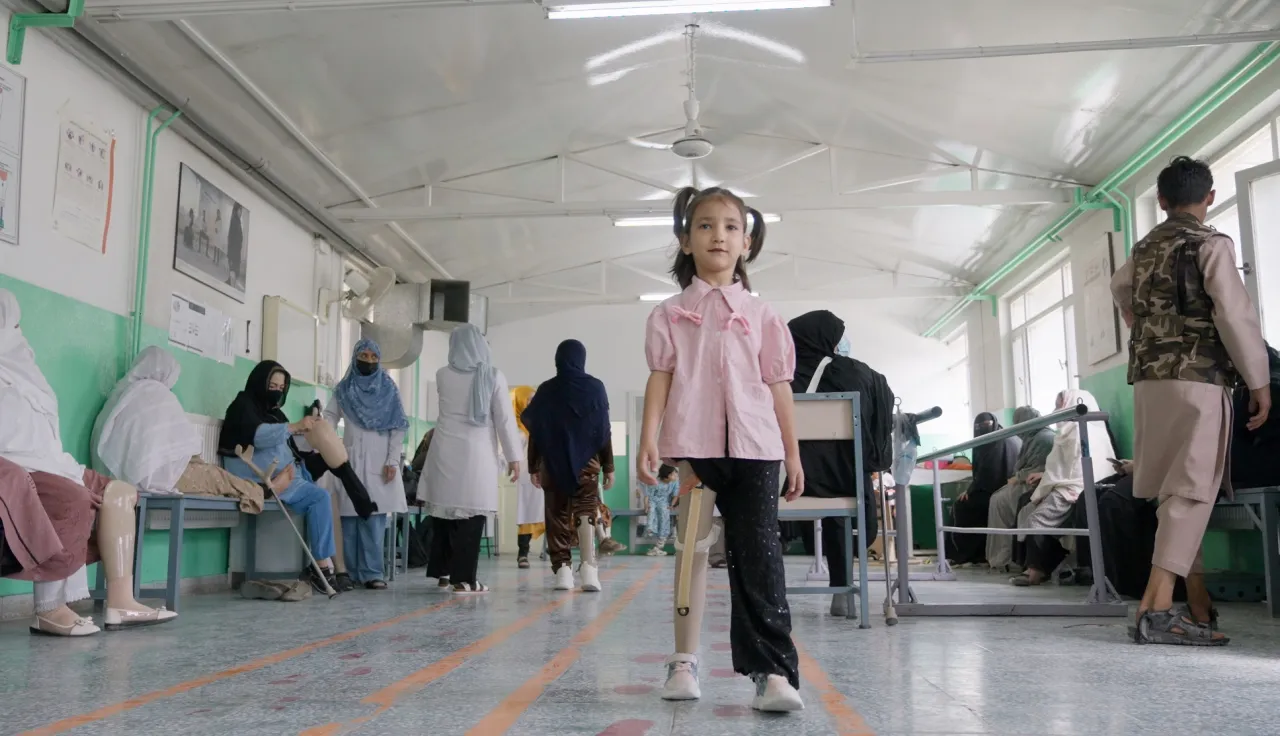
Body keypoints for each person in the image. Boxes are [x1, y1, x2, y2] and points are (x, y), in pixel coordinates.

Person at [637, 185, 804, 712]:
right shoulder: (668, 314)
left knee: (759, 556)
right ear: (686, 241)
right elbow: (661, 377)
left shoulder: (762, 314)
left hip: (757, 448)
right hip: (693, 448)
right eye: (705, 225)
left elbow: (778, 385)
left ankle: (772, 672)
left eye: (731, 226)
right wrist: (649, 440)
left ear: (747, 243)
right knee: (690, 551)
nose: (719, 235)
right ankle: (684, 662)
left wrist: (793, 454)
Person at [1111, 155, 1269, 646]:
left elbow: (1120, 290)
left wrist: (1148, 329)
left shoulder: (1143, 247)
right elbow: (1234, 315)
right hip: (1198, 378)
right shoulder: (1210, 243)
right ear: (1210, 197)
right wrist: (1258, 382)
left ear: (1161, 200)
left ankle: (1191, 599)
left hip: (1150, 380)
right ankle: (1156, 610)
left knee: (1172, 494)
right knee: (1194, 490)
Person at [0, 289, 177, 635]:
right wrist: (67, 474)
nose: (17, 332)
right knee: (71, 496)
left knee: (121, 492)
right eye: (12, 323)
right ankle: (50, 607)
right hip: (24, 469)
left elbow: (46, 441)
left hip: (54, 462)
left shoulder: (25, 375)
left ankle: (122, 602)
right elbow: (14, 444)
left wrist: (72, 470)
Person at [786, 309, 893, 617]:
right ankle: (842, 592)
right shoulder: (861, 372)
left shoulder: (777, 375)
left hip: (789, 484)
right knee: (843, 482)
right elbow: (879, 419)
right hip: (847, 485)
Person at [91, 345, 271, 512]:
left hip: (120, 482)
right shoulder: (158, 393)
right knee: (217, 478)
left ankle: (256, 491)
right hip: (160, 479)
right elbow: (187, 447)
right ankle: (260, 492)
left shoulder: (121, 395)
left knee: (213, 484)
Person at [219, 361, 341, 593]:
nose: (276, 390)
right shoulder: (243, 407)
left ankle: (323, 566)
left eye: (281, 387)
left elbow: (288, 444)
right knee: (318, 495)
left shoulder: (274, 413)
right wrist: (294, 426)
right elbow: (259, 438)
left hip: (288, 478)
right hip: (256, 477)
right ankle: (322, 567)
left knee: (324, 488)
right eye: (272, 385)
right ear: (260, 382)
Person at [417, 324, 520, 594]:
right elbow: (505, 421)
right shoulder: (494, 376)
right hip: (476, 452)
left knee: (445, 511)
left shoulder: (442, 374)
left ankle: (443, 571)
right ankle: (464, 580)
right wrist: (514, 457)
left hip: (444, 449)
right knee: (472, 515)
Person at [522, 339, 614, 593]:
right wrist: (609, 466)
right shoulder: (595, 388)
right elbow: (603, 430)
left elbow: (537, 431)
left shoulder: (547, 390)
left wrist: (533, 466)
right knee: (586, 511)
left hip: (552, 463)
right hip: (588, 464)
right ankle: (589, 571)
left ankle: (562, 571)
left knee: (557, 515)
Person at [323, 339, 408, 590]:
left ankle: (372, 573)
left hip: (380, 462)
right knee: (348, 519)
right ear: (355, 357)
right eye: (364, 355)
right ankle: (348, 572)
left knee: (373, 518)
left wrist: (393, 459)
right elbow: (329, 416)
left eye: (373, 356)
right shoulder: (344, 389)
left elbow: (398, 427)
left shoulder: (388, 389)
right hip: (348, 460)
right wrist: (324, 436)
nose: (368, 360)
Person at [1009, 389, 1116, 586]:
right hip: (1064, 482)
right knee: (1026, 508)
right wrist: (1045, 479)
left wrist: (1045, 486)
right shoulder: (1069, 431)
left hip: (1075, 487)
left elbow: (1076, 471)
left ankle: (1037, 570)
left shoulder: (1081, 431)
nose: (1057, 410)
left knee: (1035, 520)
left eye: (1060, 406)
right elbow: (1063, 466)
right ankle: (1040, 561)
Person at [985, 406, 1055, 572]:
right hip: (1030, 481)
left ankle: (1004, 557)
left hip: (1040, 484)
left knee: (999, 500)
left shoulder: (1043, 438)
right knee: (997, 498)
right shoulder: (1033, 437)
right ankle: (1003, 557)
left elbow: (1039, 468)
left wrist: (1019, 477)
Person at [946, 412, 1020, 566]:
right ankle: (979, 554)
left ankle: (963, 554)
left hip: (997, 491)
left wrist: (971, 491)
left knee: (960, 507)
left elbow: (988, 474)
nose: (982, 429)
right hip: (1007, 488)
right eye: (979, 427)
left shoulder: (995, 442)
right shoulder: (1006, 436)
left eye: (985, 426)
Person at [510, 385, 545, 568]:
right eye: (528, 399)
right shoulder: (515, 427)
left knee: (549, 511)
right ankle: (522, 553)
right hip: (525, 475)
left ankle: (552, 550)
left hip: (543, 472)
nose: (532, 403)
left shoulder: (541, 422)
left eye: (534, 399)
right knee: (526, 512)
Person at [641, 464, 679, 555]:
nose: (675, 476)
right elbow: (648, 495)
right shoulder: (655, 482)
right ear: (667, 475)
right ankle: (650, 529)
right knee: (651, 510)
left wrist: (672, 505)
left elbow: (675, 495)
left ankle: (659, 544)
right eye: (673, 474)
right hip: (653, 501)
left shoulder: (674, 483)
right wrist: (646, 505)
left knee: (664, 515)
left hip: (664, 502)